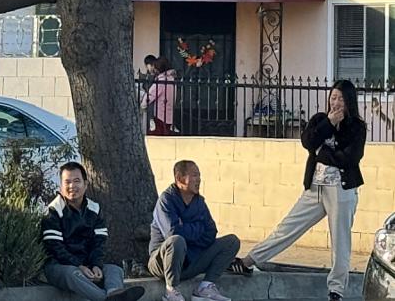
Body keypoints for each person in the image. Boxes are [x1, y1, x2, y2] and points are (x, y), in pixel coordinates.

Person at [240, 80, 366, 301]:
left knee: (340, 241)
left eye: (341, 99)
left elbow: (350, 158)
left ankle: (336, 289)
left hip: (341, 189)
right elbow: (308, 141)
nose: (336, 102)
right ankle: (249, 260)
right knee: (288, 227)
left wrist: (322, 151)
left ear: (349, 103)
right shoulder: (319, 120)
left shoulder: (357, 126)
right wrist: (328, 123)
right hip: (315, 188)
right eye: (333, 97)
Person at [41, 162, 145, 301]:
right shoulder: (53, 210)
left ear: (85, 184)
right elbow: (55, 248)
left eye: (77, 181)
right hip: (59, 266)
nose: (72, 186)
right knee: (72, 274)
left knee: (114, 270)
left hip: (87, 265)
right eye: (67, 182)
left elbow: (99, 243)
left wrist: (96, 265)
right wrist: (79, 266)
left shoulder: (94, 209)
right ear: (61, 186)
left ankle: (114, 293)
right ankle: (106, 299)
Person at [148, 160, 240, 301]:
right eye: (195, 175)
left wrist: (185, 229)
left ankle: (205, 286)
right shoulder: (166, 201)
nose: (199, 180)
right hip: (164, 263)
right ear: (179, 178)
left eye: (199, 175)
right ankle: (171, 291)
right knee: (177, 241)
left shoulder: (199, 202)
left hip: (192, 260)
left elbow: (210, 232)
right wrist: (198, 228)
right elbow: (172, 233)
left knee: (232, 242)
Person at [141, 56, 177, 136]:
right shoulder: (172, 80)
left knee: (155, 138)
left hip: (159, 115)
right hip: (169, 115)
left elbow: (150, 95)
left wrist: (143, 105)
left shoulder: (161, 81)